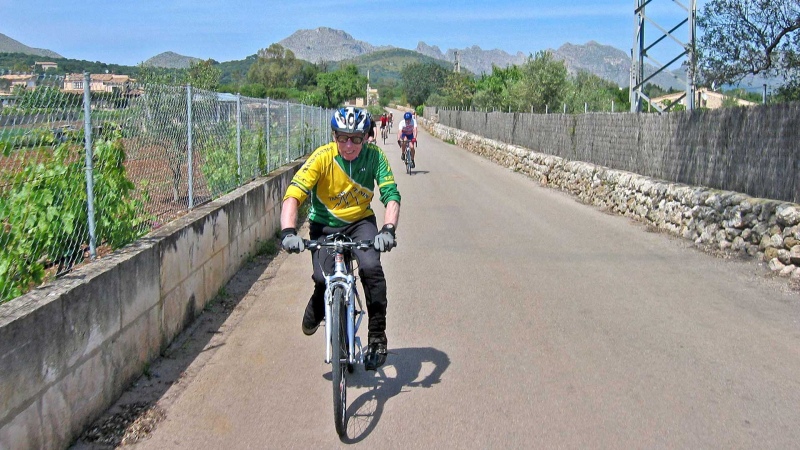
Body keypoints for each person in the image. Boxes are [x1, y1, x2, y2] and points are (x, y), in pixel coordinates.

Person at [280, 106, 401, 371]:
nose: (349, 145)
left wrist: (388, 229)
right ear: (334, 136)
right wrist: (288, 232)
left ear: (366, 137)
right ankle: (317, 303)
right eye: (342, 137)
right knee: (323, 279)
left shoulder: (375, 156)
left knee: (371, 268)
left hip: (360, 223)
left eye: (356, 139)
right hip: (324, 226)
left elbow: (391, 195)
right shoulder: (322, 157)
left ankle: (377, 337)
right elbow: (294, 194)